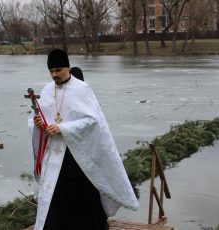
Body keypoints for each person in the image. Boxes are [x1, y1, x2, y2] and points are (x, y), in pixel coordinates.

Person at [28, 49, 139, 230]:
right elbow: (43, 119)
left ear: (68, 67)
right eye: (51, 71)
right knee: (56, 201)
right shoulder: (47, 90)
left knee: (83, 200)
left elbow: (93, 121)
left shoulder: (82, 89)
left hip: (79, 157)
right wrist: (38, 123)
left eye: (58, 70)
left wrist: (63, 128)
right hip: (55, 157)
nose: (54, 75)